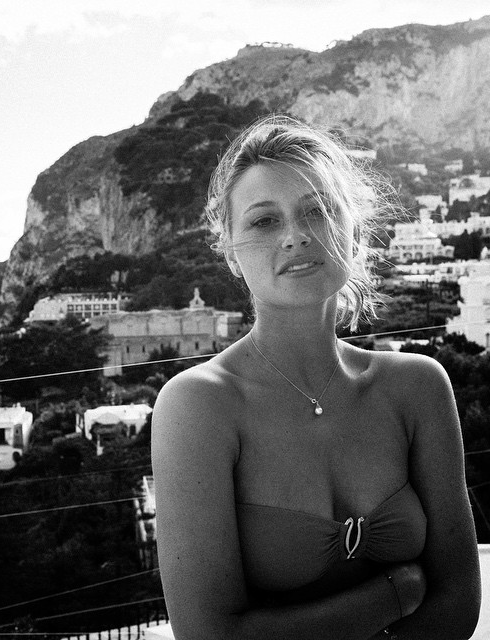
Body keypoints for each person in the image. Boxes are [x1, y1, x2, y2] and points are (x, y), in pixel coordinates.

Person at [151, 115, 481, 640]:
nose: (296, 236)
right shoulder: (198, 405)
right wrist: (394, 595)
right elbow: (210, 633)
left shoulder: (418, 387)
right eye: (264, 221)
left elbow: (458, 604)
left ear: (355, 233)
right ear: (231, 254)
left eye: (319, 210)